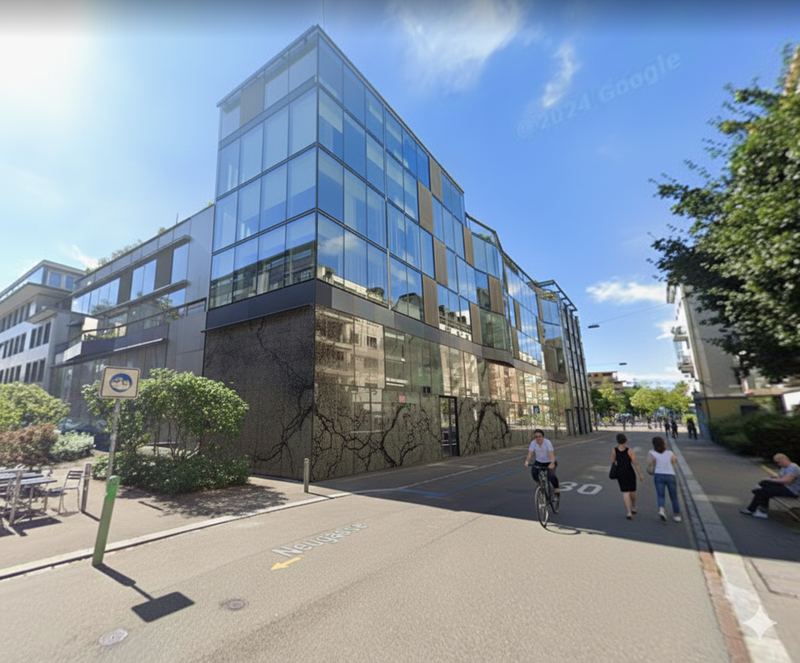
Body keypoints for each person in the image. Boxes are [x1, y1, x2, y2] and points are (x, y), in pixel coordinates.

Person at [740, 453, 800, 518]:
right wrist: (772, 478)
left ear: (784, 459)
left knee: (763, 491)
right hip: (785, 487)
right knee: (763, 483)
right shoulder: (784, 467)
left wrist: (772, 480)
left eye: (779, 462)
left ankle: (761, 512)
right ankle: (752, 508)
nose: (779, 464)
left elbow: (787, 481)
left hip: (791, 490)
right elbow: (780, 477)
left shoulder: (793, 468)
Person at [647, 436, 681, 522]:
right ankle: (676, 514)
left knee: (660, 495)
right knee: (673, 496)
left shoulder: (652, 452)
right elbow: (674, 461)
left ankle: (662, 509)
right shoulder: (670, 453)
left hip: (658, 474)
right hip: (670, 474)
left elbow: (649, 463)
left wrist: (652, 463)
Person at [611, 433, 644, 519]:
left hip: (620, 473)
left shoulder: (614, 450)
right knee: (632, 490)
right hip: (629, 472)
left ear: (617, 441)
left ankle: (628, 512)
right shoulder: (630, 451)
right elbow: (635, 463)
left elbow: (613, 461)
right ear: (626, 440)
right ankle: (633, 506)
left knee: (625, 492)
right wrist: (640, 474)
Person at [524, 429, 560, 495]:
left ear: (543, 437)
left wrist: (552, 463)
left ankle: (556, 488)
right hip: (539, 462)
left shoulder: (547, 442)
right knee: (534, 471)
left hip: (549, 462)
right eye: (536, 437)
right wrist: (527, 461)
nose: (538, 438)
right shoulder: (533, 443)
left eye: (539, 436)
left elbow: (551, 454)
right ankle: (538, 483)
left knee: (551, 475)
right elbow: (530, 453)